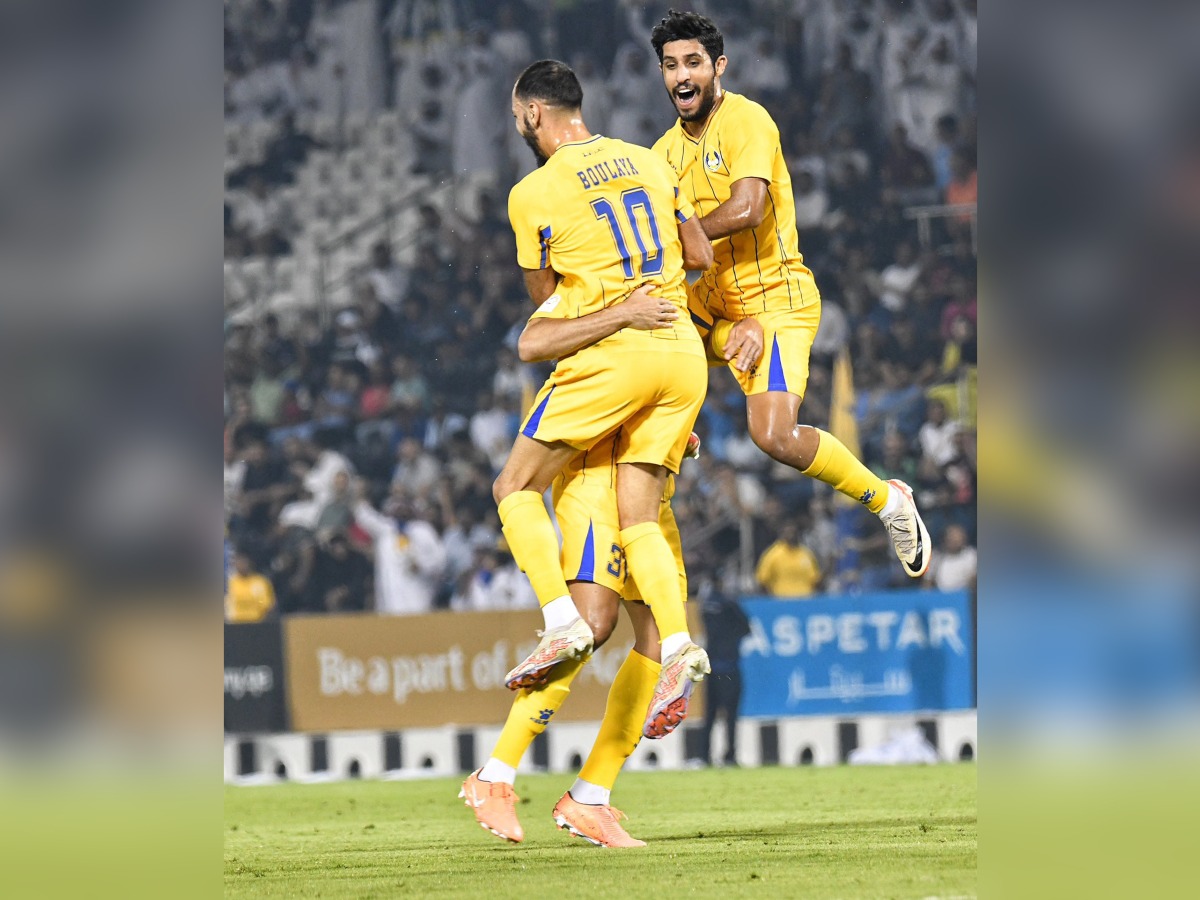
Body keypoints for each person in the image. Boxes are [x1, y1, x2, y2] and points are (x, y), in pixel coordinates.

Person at [491, 60, 747, 740]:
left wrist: (609, 305)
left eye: (517, 116)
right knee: (641, 518)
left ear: (531, 115)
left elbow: (545, 304)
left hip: (616, 355)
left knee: (514, 486)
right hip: (682, 356)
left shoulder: (531, 193)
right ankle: (678, 645)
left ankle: (560, 620)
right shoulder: (647, 158)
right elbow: (699, 255)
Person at [463, 285, 759, 847]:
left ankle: (590, 795)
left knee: (657, 640)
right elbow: (552, 353)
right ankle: (495, 773)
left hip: (648, 488)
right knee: (592, 626)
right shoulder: (595, 283)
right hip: (599, 485)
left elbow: (679, 355)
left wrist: (743, 334)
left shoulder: (665, 284)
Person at [649, 9, 931, 581]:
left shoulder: (748, 120)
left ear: (718, 66)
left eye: (693, 62)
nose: (682, 74)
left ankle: (889, 501)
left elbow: (750, 208)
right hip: (719, 309)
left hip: (776, 299)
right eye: (671, 64)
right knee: (641, 319)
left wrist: (684, 234)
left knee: (772, 435)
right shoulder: (660, 154)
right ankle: (678, 418)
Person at [755, 519, 822, 598]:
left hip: (805, 602)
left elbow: (815, 579)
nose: (791, 535)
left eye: (793, 532)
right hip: (781, 602)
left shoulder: (806, 553)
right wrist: (771, 601)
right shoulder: (773, 554)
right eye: (788, 532)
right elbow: (762, 580)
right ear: (782, 534)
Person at [224, 551, 276, 623]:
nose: (242, 565)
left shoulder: (260, 582)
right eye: (239, 562)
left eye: (244, 562)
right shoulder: (229, 583)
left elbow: (269, 606)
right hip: (235, 625)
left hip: (257, 624)